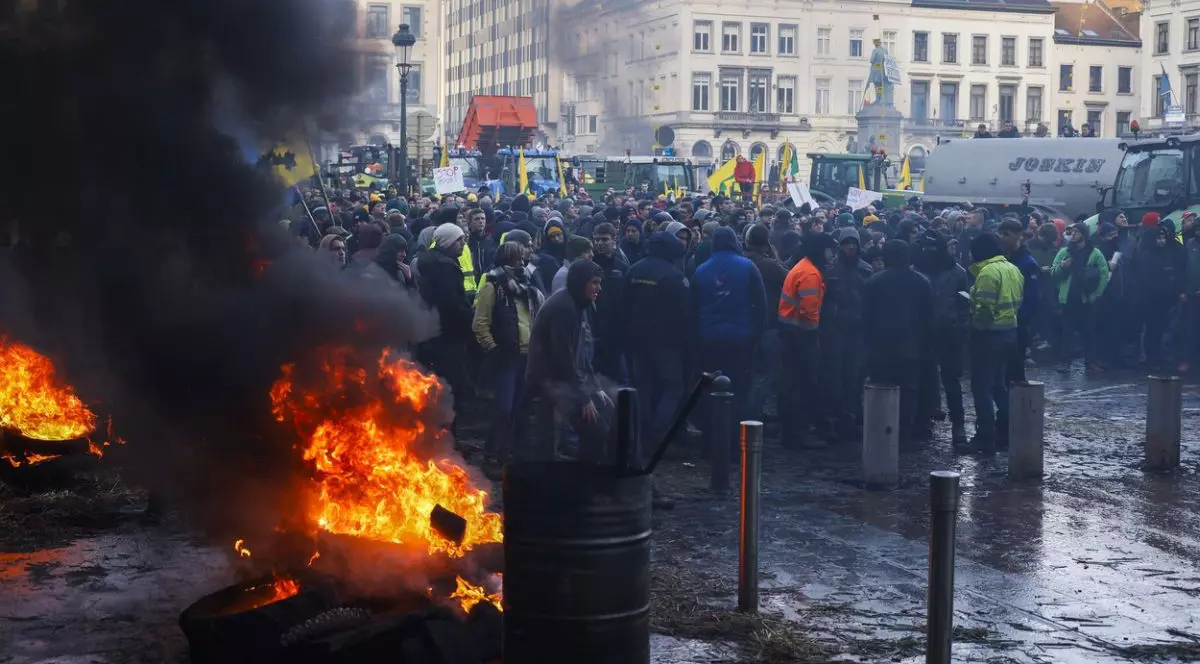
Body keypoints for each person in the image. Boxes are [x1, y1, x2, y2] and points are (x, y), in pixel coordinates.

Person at [526, 260, 612, 463]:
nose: (599, 288)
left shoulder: (578, 303)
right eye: (594, 282)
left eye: (600, 283)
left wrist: (596, 386)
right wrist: (584, 399)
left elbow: (579, 352)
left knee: (597, 425)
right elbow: (563, 358)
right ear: (581, 282)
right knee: (591, 430)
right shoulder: (564, 308)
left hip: (561, 379)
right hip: (548, 380)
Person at [691, 227, 767, 449]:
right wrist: (758, 336)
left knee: (710, 390)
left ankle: (709, 441)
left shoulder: (701, 270)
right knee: (739, 391)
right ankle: (734, 441)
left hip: (709, 339)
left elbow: (692, 308)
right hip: (741, 338)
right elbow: (761, 305)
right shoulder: (747, 267)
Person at [473, 241, 545, 465]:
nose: (522, 263)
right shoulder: (493, 287)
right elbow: (480, 323)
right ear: (507, 261)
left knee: (516, 408)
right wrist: (493, 349)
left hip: (526, 356)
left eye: (523, 259)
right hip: (505, 358)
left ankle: (506, 453)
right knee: (503, 409)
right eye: (517, 259)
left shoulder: (528, 287)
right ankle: (491, 455)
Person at [622, 231, 691, 453]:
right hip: (666, 342)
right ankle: (660, 434)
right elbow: (684, 313)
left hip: (637, 339)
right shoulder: (673, 275)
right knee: (673, 387)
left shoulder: (635, 269)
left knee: (643, 386)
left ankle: (642, 434)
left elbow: (622, 304)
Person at [863, 240, 933, 442]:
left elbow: (866, 318)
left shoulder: (874, 282)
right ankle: (905, 434)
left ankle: (881, 432)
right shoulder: (922, 282)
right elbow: (928, 318)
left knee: (881, 391)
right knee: (909, 393)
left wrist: (867, 346)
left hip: (881, 347)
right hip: (911, 347)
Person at [777, 233, 837, 448]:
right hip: (801, 336)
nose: (832, 255)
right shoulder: (811, 274)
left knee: (792, 384)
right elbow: (809, 310)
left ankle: (792, 431)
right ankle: (797, 434)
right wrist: (816, 336)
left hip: (790, 332)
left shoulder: (802, 266)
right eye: (830, 250)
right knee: (803, 384)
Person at [967, 233, 1024, 454]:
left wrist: (974, 324)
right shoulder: (1012, 269)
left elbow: (984, 310)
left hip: (989, 337)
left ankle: (985, 437)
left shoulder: (988, 273)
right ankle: (1008, 431)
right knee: (999, 385)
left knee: (981, 387)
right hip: (1010, 334)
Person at [417, 223, 476, 429]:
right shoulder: (444, 267)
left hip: (438, 333)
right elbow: (451, 303)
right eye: (459, 240)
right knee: (451, 387)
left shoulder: (434, 261)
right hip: (449, 336)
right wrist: (470, 316)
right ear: (448, 242)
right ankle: (448, 436)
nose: (463, 244)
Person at [915, 231, 970, 447]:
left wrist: (961, 330)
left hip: (949, 332)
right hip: (924, 333)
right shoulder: (917, 270)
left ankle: (959, 424)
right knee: (924, 379)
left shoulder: (958, 273)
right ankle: (923, 421)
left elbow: (964, 305)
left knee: (951, 381)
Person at [828, 227, 873, 438]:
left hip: (858, 330)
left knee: (854, 376)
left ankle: (850, 416)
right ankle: (838, 416)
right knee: (835, 375)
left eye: (853, 243)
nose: (851, 247)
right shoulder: (830, 271)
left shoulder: (866, 270)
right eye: (847, 243)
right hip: (836, 330)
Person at [1051, 223, 1110, 373]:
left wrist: (1096, 294)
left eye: (1076, 232)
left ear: (1083, 234)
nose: (1072, 235)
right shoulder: (1065, 252)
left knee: (1089, 332)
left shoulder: (1095, 253)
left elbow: (1104, 274)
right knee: (1067, 332)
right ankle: (1065, 362)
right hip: (1068, 298)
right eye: (1071, 232)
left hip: (1086, 298)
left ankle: (1090, 362)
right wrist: (1063, 267)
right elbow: (1053, 272)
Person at [744, 224, 788, 422]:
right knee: (764, 374)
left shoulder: (744, 260)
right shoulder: (767, 264)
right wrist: (775, 256)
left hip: (747, 322)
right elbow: (788, 276)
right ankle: (753, 417)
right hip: (769, 323)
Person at [1131, 219, 1185, 370]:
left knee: (1160, 328)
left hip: (1164, 298)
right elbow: (1146, 278)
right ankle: (1151, 357)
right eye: (1158, 238)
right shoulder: (1147, 256)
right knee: (1152, 329)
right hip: (1150, 299)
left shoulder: (1166, 253)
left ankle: (1157, 356)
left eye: (1163, 237)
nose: (1161, 241)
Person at [997, 219, 1040, 381]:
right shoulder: (1001, 259)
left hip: (1017, 325)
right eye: (1000, 233)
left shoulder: (1028, 263)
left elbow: (1032, 299)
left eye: (1006, 234)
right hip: (1001, 324)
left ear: (1019, 236)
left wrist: (1019, 319)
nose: (1002, 237)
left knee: (1015, 371)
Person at [590, 223, 630, 381]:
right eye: (597, 240)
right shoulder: (590, 264)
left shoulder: (621, 264)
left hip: (616, 327)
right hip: (594, 325)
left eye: (604, 240)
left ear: (614, 240)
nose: (599, 243)